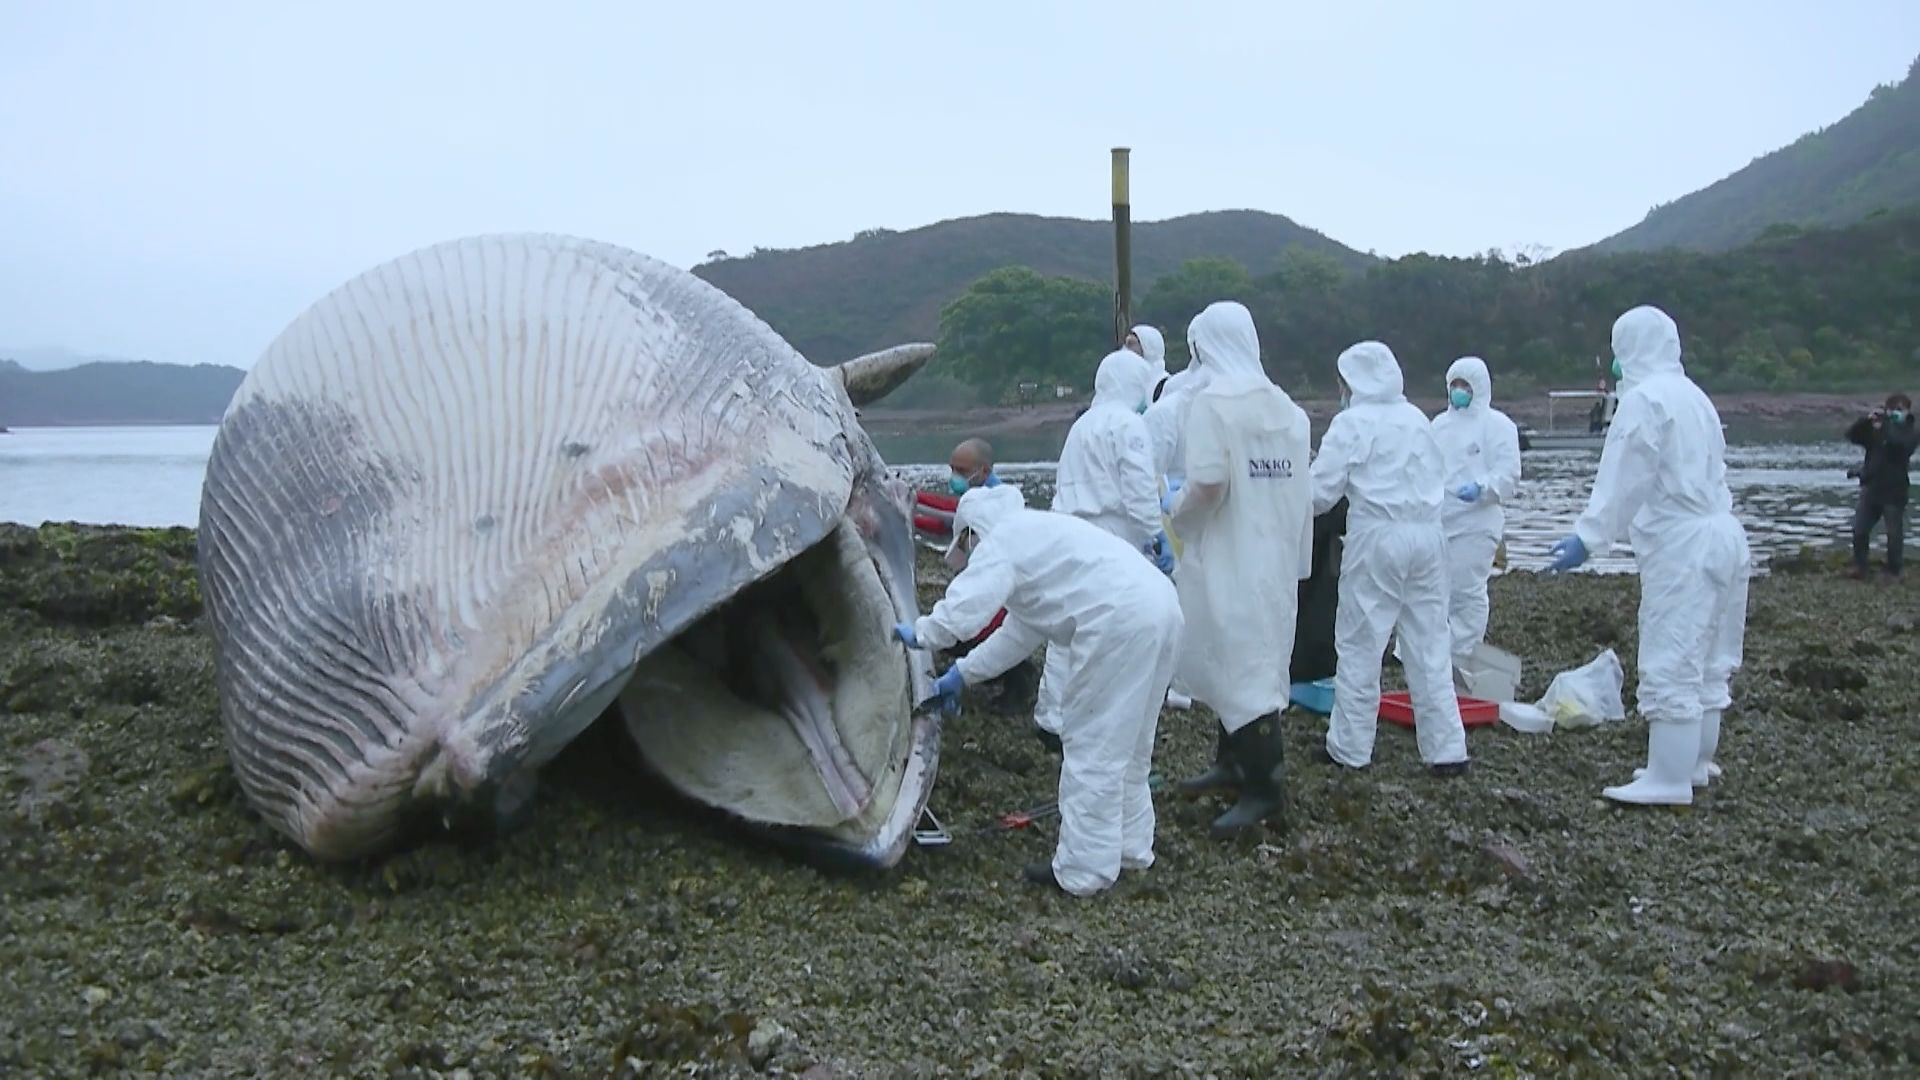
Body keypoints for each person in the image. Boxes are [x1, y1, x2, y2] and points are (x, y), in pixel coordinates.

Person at [894, 486, 1183, 896]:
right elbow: (1018, 633)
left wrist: (922, 633)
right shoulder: (1040, 536)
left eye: (966, 549)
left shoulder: (1004, 540)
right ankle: (1130, 849)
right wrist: (962, 675)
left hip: (1117, 622)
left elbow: (965, 610)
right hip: (1162, 606)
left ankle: (1085, 871)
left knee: (1091, 747)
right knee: (1133, 746)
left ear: (972, 534)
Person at [1545, 305, 1750, 805]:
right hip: (1727, 536)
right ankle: (1695, 764)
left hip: (1684, 546)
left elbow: (1624, 481)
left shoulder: (1643, 402)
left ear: (1629, 349)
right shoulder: (1695, 396)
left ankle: (1668, 778)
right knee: (1708, 661)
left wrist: (1588, 539)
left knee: (1672, 657)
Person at [1159, 301, 1314, 836]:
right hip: (1272, 553)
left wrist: (1175, 512)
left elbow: (1207, 484)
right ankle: (1232, 762)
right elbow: (1301, 492)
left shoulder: (1213, 404)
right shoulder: (1290, 410)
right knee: (1255, 653)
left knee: (1240, 660)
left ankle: (1264, 789)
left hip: (1228, 549)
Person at [1309, 341, 1471, 775]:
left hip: (1377, 538)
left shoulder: (1351, 423)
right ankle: (1447, 750)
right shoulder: (1417, 419)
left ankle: (1350, 748)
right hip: (1429, 537)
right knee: (1430, 643)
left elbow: (1320, 495)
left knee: (1361, 642)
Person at [1034, 349, 1169, 743]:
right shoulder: (1128, 425)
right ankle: (1093, 717)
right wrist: (1155, 535)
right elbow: (1139, 491)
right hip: (1112, 536)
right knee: (1106, 630)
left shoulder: (1084, 424)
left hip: (1070, 531)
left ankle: (1051, 716)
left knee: (1067, 629)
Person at [1430, 356, 1523, 670]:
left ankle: (1464, 656)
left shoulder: (1497, 426)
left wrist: (1481, 488)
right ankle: (1435, 659)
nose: (1458, 391)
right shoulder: (1439, 426)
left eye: (1465, 385)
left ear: (1479, 387)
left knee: (1466, 592)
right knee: (1434, 592)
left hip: (1477, 523)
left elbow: (1508, 476)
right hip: (1439, 522)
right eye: (1454, 384)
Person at [1844, 393, 1914, 580]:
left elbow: (1899, 445)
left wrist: (1888, 425)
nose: (1896, 414)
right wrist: (1867, 421)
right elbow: (1852, 436)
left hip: (1894, 491)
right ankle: (1860, 565)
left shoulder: (1910, 431)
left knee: (1893, 533)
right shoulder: (1877, 432)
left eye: (1900, 410)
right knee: (1859, 529)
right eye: (1893, 409)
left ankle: (1894, 570)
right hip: (1872, 488)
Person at [1125, 324, 1170, 402]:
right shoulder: (1125, 380)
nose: (1127, 350)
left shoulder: (1164, 383)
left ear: (1148, 346)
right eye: (1126, 345)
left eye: (1132, 344)